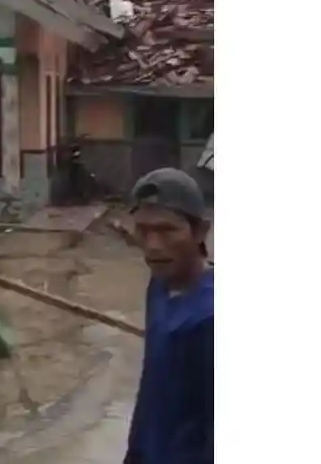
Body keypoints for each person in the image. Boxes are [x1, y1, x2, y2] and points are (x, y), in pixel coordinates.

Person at [124, 168, 214, 464]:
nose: (152, 245)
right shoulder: (159, 287)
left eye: (166, 230)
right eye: (143, 230)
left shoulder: (210, 319)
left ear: (200, 231)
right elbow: (151, 386)